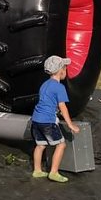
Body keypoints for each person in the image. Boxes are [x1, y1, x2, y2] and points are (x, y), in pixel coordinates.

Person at [31, 55, 81, 183]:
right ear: (61, 71)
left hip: (36, 120)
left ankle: (37, 170)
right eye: (65, 67)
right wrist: (70, 125)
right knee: (61, 145)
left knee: (40, 145)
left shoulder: (44, 85)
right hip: (47, 121)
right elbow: (62, 106)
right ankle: (54, 172)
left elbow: (46, 102)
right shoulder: (59, 87)